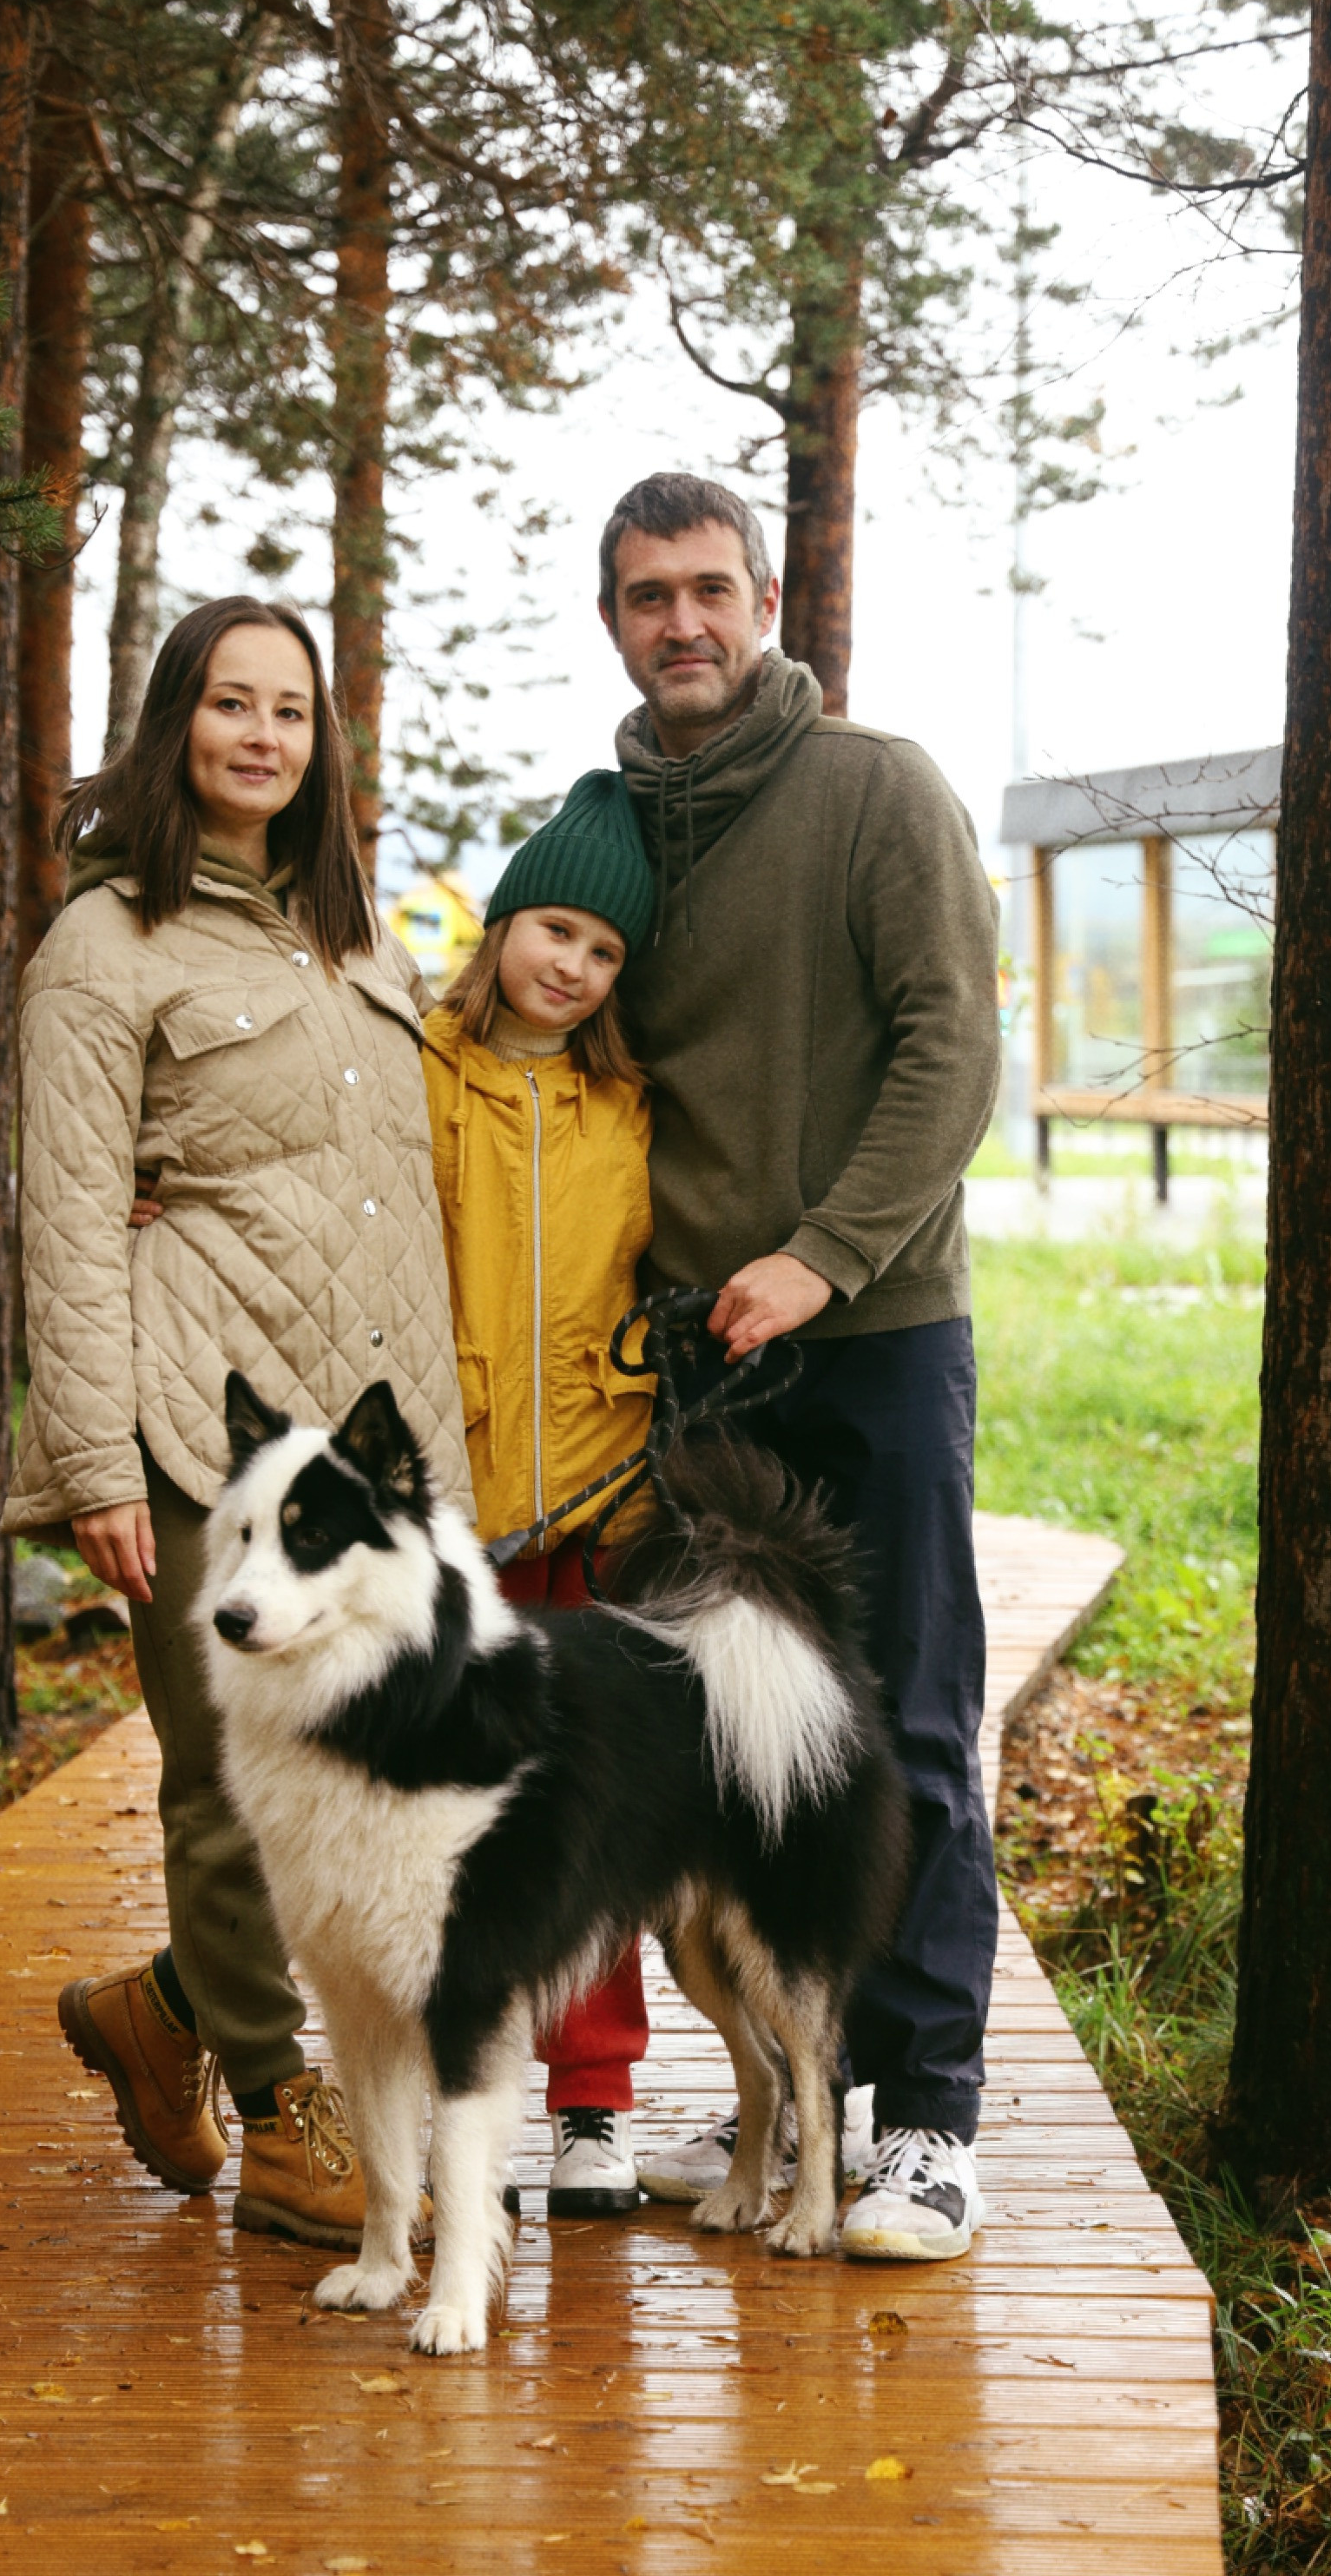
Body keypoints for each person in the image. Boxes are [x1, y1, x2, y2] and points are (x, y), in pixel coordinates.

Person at [3, 594, 470, 2250]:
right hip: (194, 1425)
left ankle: (160, 2011)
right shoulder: (102, 946)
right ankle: (282, 2117)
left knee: (360, 1776)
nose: (260, 736)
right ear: (174, 724)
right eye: (228, 704)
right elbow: (66, 1214)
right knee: (226, 1776)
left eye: (289, 710)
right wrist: (90, 1457)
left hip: (367, 1449)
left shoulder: (361, 943)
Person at [599, 472, 1003, 2262]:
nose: (681, 622)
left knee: (906, 1724)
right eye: (644, 597)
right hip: (708, 1370)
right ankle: (790, 2094)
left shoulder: (876, 789)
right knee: (740, 1750)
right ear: (613, 623)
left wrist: (821, 1254)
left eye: (708, 588)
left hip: (881, 1332)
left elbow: (954, 1045)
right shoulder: (614, 826)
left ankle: (923, 2120)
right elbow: (518, 1022)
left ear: (766, 601)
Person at [421, 773, 660, 2216]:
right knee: (447, 1814)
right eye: (555, 928)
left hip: (589, 1499)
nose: (571, 966)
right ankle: (464, 2086)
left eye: (606, 952)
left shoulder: (623, 1106)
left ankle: (595, 2102)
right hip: (447, 1513)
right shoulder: (415, 1067)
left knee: (582, 1805)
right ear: (505, 921)